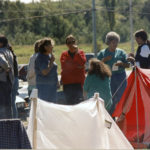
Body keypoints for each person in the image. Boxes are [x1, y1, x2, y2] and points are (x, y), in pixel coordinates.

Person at [97, 31, 130, 114]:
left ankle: (122, 118)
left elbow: (128, 65)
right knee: (110, 99)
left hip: (120, 77)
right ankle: (111, 119)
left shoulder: (121, 52)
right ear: (108, 42)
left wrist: (122, 64)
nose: (115, 44)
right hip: (108, 78)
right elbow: (96, 67)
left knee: (122, 98)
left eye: (117, 42)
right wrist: (104, 60)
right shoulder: (102, 53)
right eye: (113, 42)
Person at [60, 35, 86, 105]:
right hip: (67, 83)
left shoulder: (81, 53)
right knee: (69, 104)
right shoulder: (64, 54)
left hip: (79, 83)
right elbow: (65, 67)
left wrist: (77, 52)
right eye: (69, 43)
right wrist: (77, 65)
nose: (71, 44)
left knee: (79, 104)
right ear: (66, 44)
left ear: (76, 42)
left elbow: (82, 63)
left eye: (73, 42)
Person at [35, 38, 58, 102]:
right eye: (50, 45)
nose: (52, 47)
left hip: (52, 87)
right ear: (45, 47)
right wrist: (51, 62)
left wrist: (57, 82)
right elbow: (44, 72)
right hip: (44, 88)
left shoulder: (49, 56)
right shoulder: (40, 57)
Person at [0, 35, 14, 119]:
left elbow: (2, 62)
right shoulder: (8, 51)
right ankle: (9, 122)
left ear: (1, 43)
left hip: (2, 81)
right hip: (9, 81)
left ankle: (2, 124)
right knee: (8, 104)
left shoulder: (0, 51)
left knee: (2, 105)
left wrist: (6, 67)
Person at [7, 44, 19, 118]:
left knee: (9, 103)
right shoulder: (13, 55)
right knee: (12, 102)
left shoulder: (6, 56)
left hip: (10, 79)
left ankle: (12, 119)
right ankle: (15, 119)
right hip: (16, 78)